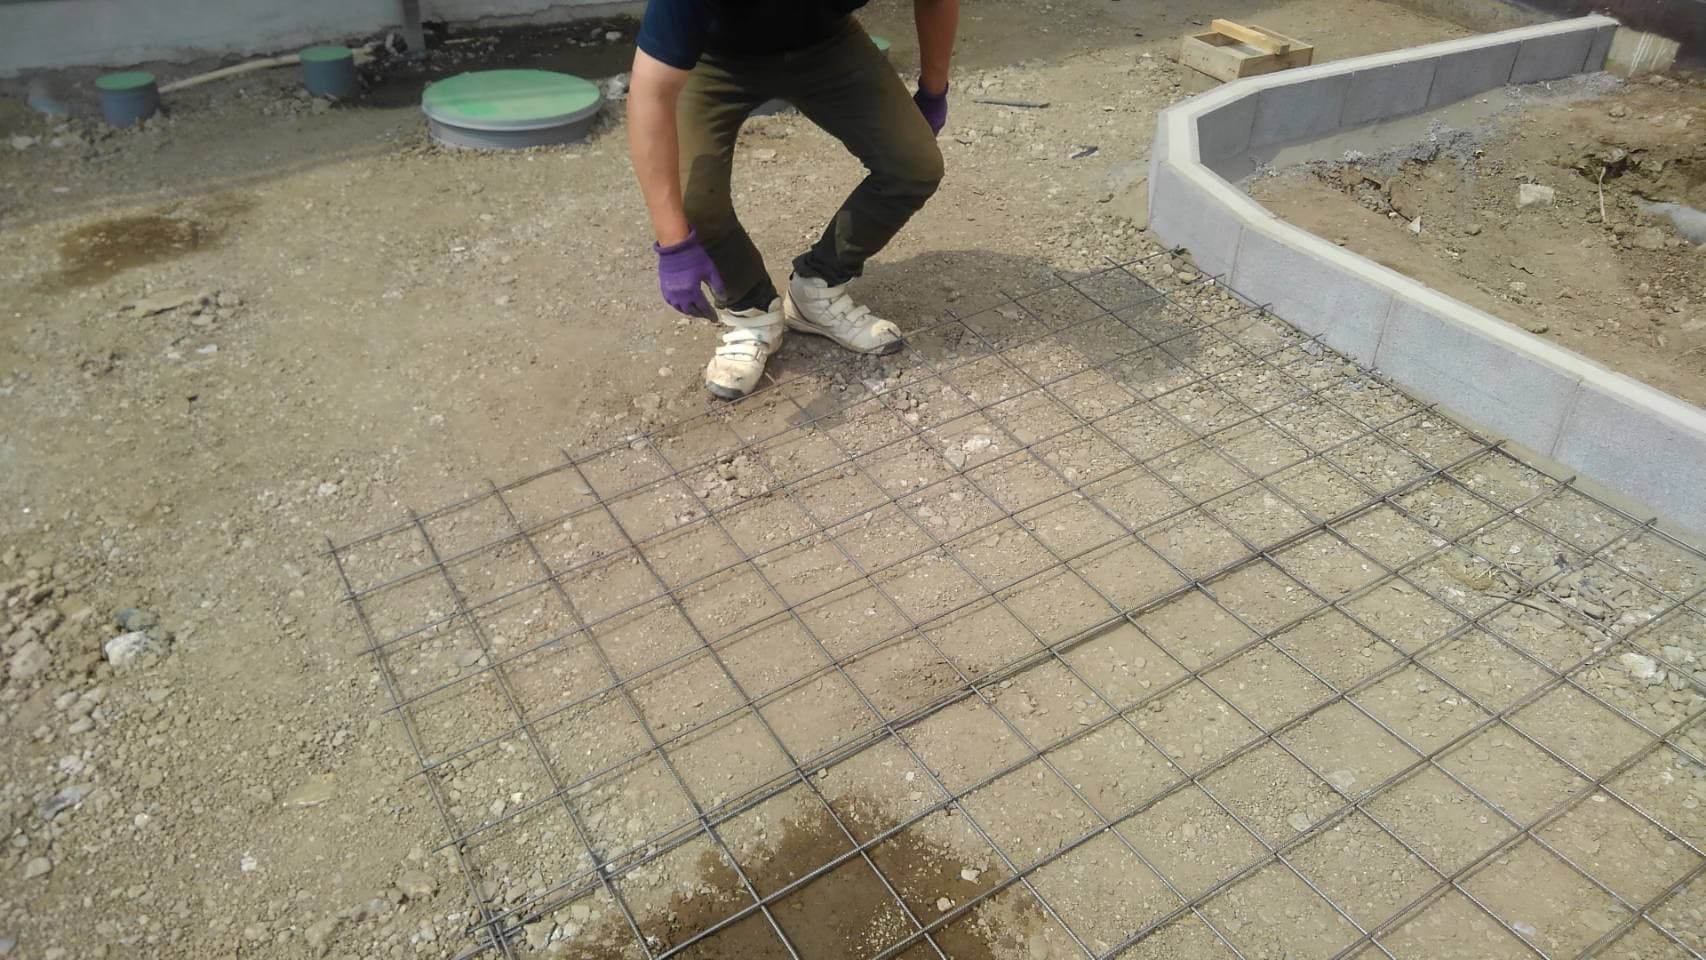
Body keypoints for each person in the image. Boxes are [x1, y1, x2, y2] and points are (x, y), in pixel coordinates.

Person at [626, 0, 960, 399]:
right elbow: (650, 93)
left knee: (914, 164)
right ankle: (751, 312)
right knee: (691, 204)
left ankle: (817, 290)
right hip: (713, 56)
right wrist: (674, 245)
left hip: (827, 43)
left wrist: (933, 91)